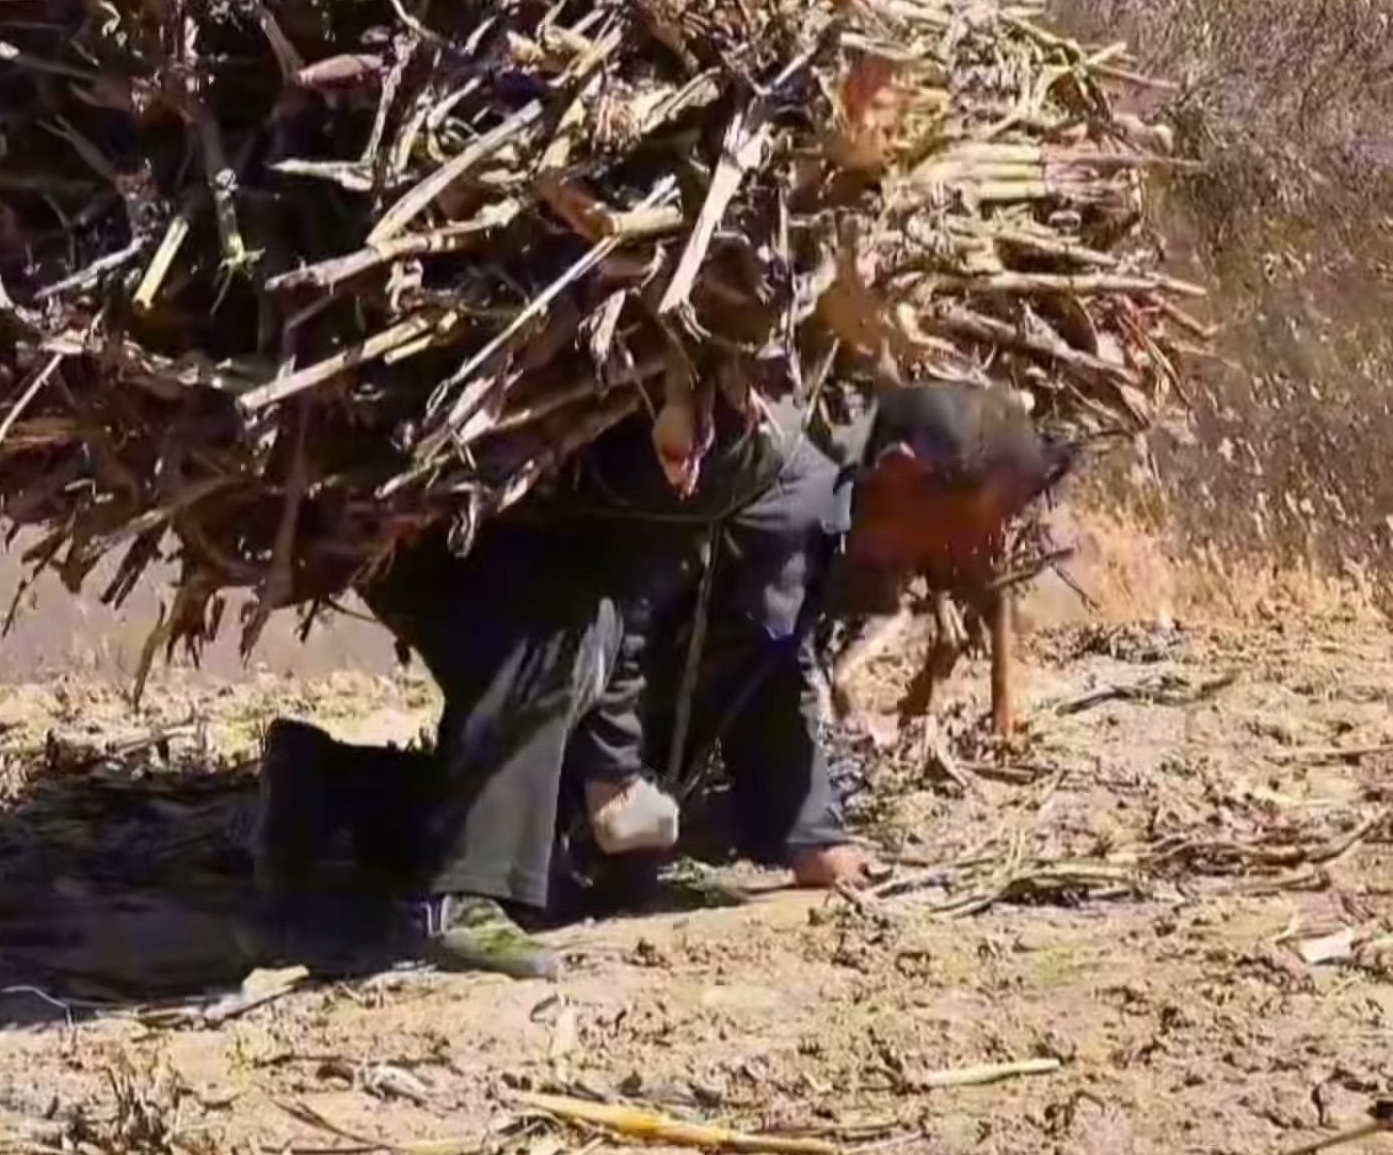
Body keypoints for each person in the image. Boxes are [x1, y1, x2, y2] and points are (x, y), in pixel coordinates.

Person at [250, 374, 1071, 980]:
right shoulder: (769, 469)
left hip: (552, 607)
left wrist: (810, 838)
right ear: (900, 473)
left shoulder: (829, 520)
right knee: (580, 640)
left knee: (598, 868)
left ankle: (327, 785)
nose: (963, 555)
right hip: (472, 563)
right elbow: (620, 584)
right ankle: (460, 896)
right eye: (963, 526)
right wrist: (613, 775)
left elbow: (772, 666)